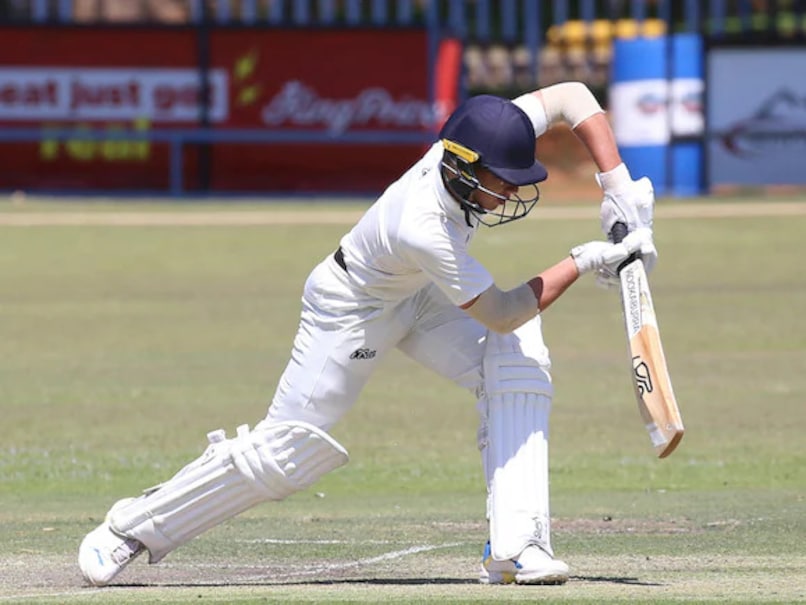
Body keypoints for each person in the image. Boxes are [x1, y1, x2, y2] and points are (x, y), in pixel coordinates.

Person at [78, 81, 656, 587]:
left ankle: (516, 547)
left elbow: (571, 96)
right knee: (288, 451)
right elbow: (502, 310)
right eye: (500, 182)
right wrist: (584, 261)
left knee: (520, 357)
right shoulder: (422, 225)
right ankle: (134, 527)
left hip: (418, 294)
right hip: (350, 307)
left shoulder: (482, 135)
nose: (509, 193)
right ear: (461, 167)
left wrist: (618, 188)